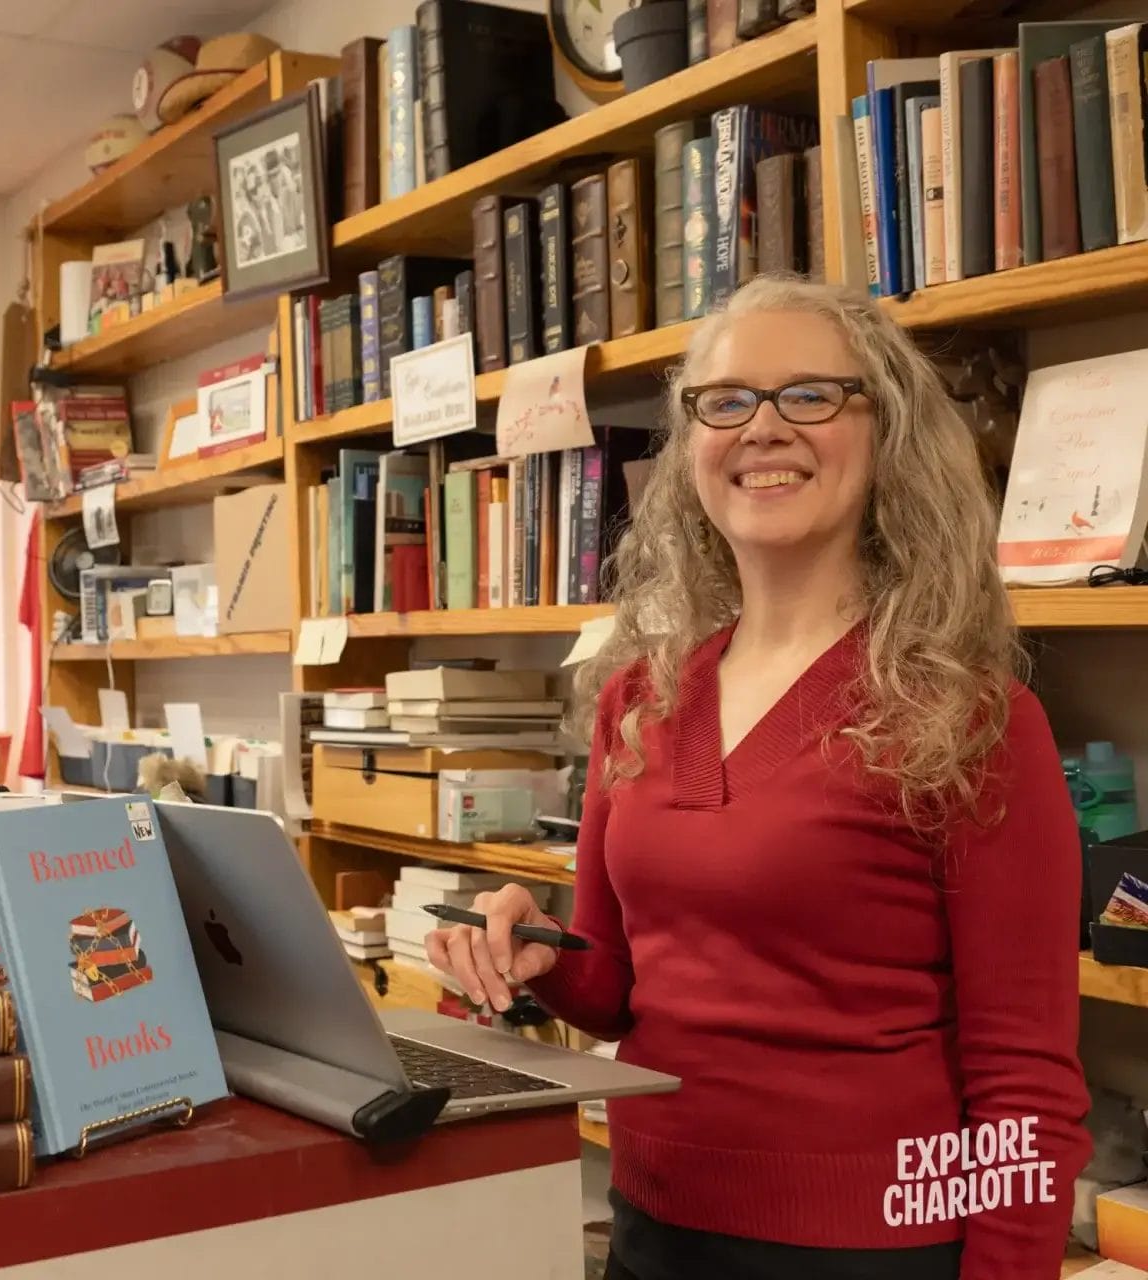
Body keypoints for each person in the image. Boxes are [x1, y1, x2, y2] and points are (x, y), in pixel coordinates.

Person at [427, 276, 1091, 1280]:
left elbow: (1028, 1087)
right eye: (727, 400)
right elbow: (617, 984)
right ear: (691, 444)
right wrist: (533, 950)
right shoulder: (638, 699)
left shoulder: (974, 718)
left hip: (878, 1251)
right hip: (652, 1227)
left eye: (810, 396)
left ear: (886, 436)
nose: (763, 428)